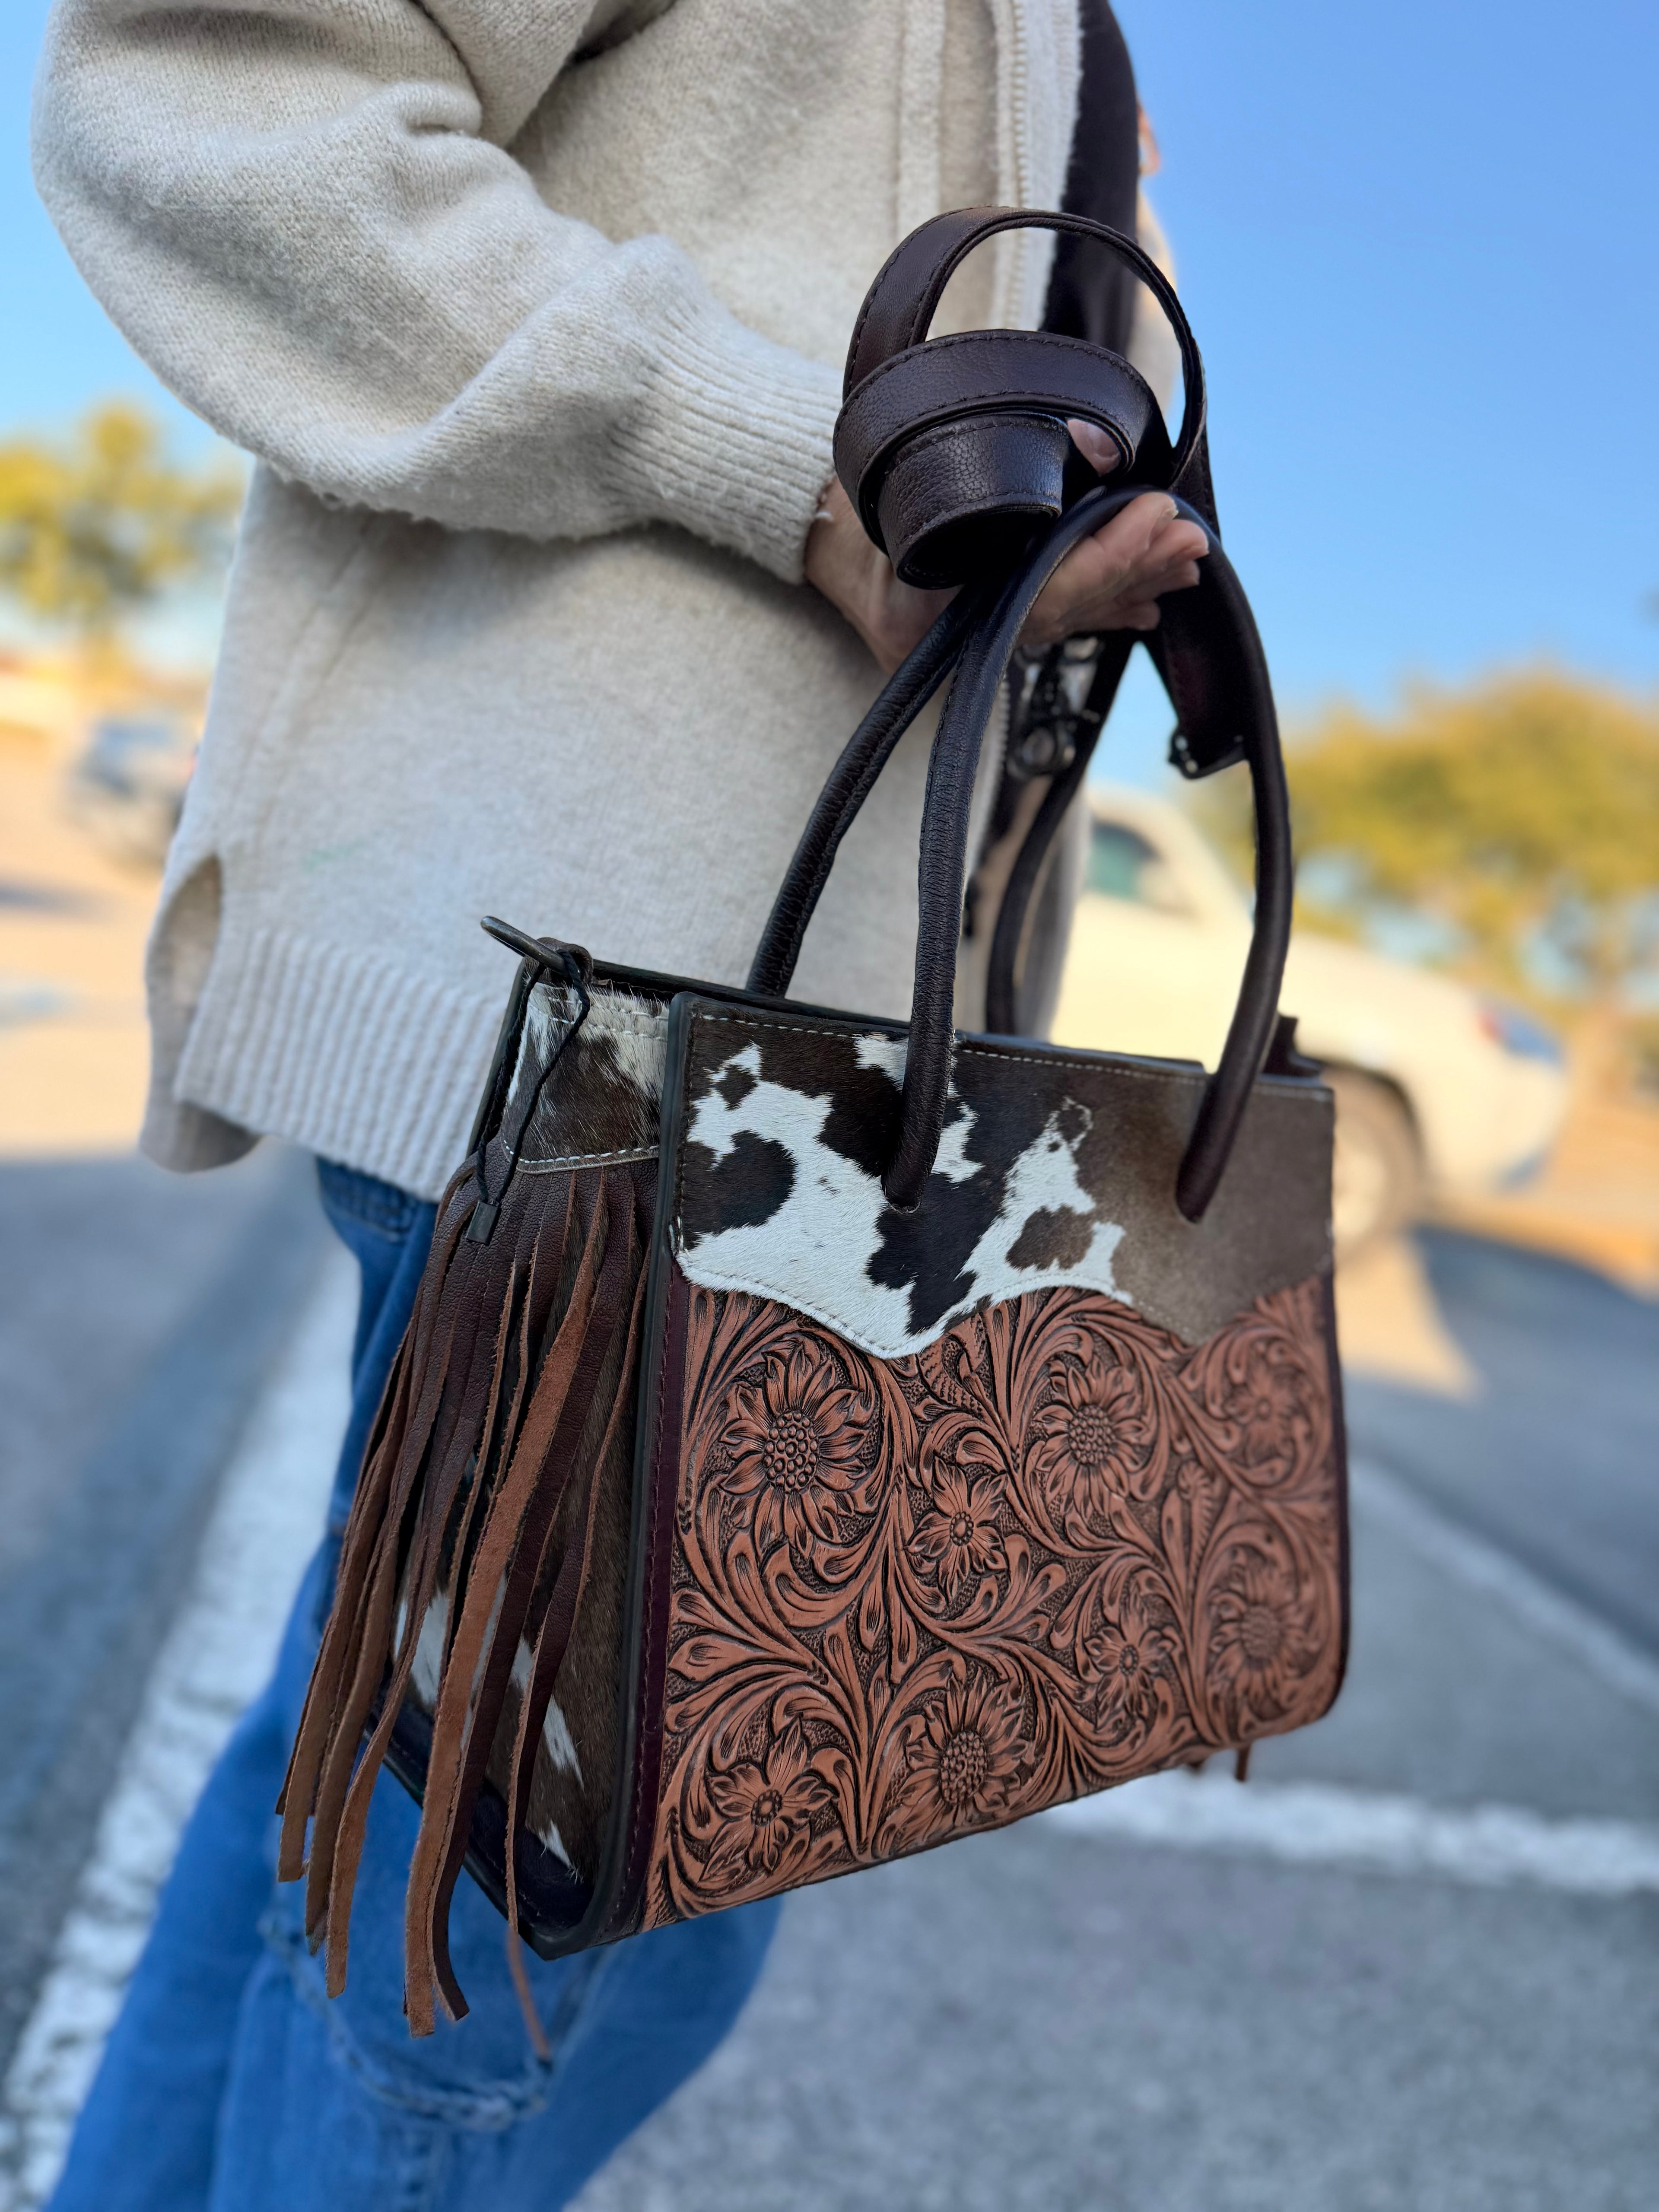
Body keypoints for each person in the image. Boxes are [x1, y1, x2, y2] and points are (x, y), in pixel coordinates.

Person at [31, 3, 1206, 2204]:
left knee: (373, 1813)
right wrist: (791, 465)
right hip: (617, 1052)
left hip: (745, 1083)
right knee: (552, 1933)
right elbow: (209, 96)